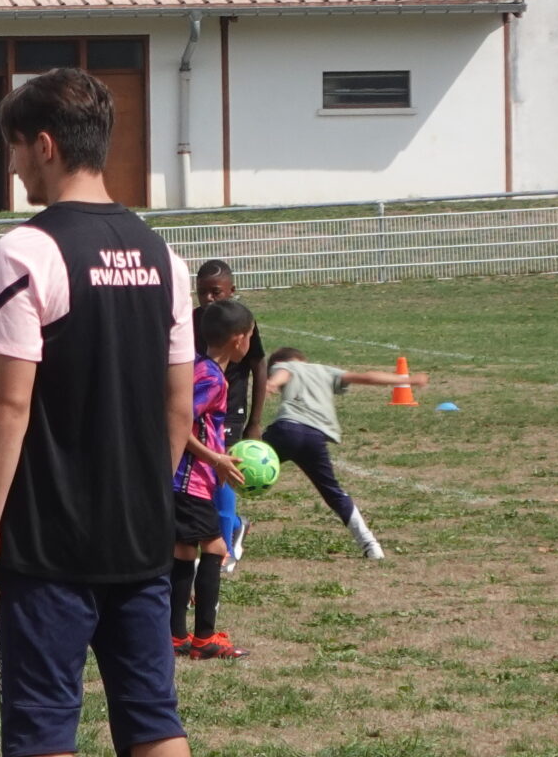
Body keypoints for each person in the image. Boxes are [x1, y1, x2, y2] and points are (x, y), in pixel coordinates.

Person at [0, 68, 195, 757]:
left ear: (45, 146)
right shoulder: (162, 253)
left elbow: (8, 406)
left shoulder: (28, 250)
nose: (14, 167)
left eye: (16, 148)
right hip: (139, 534)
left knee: (45, 724)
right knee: (153, 718)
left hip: (50, 536)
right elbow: (179, 404)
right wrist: (143, 491)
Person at [261, 349, 420, 559]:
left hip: (286, 430)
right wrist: (407, 379)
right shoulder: (324, 370)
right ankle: (371, 545)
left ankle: (226, 526)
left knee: (240, 466)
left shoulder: (285, 366)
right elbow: (366, 377)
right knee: (333, 492)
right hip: (314, 437)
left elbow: (284, 373)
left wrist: (272, 382)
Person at [173, 299, 256, 659]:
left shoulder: (194, 366)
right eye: (251, 336)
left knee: (182, 550)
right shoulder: (211, 378)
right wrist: (216, 458)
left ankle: (175, 635)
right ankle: (205, 638)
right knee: (217, 549)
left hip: (179, 480)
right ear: (239, 339)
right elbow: (176, 421)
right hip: (190, 480)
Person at [195, 261, 265, 573]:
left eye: (216, 292)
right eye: (203, 293)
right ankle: (236, 523)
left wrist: (255, 420)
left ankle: (223, 551)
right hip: (201, 404)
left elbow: (258, 366)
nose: (209, 298)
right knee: (203, 474)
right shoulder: (193, 320)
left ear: (232, 292)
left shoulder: (241, 324)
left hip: (230, 410)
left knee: (220, 473)